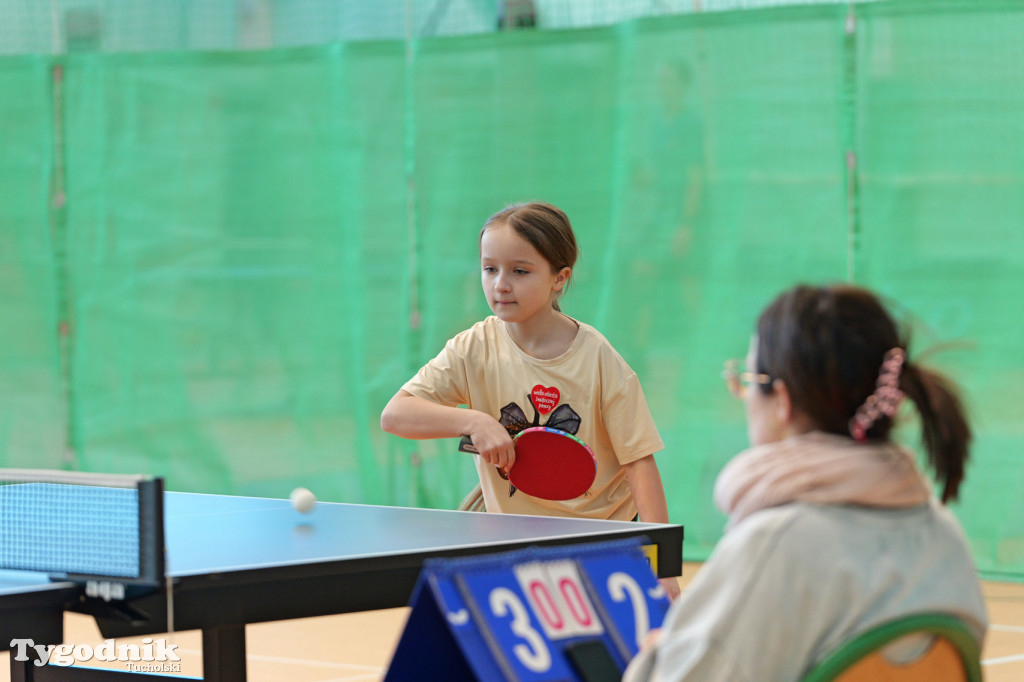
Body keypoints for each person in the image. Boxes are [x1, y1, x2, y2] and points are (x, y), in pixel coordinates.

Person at [623, 283, 988, 682]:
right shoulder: (945, 538)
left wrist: (656, 659)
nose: (744, 396)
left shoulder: (776, 542)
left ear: (781, 399)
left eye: (747, 378)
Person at [380, 201, 679, 599]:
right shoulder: (474, 346)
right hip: (511, 544)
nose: (501, 284)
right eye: (490, 268)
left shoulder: (600, 360)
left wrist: (663, 569)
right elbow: (396, 414)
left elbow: (639, 462)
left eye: (520, 271)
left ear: (560, 278)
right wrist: (474, 422)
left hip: (597, 545)